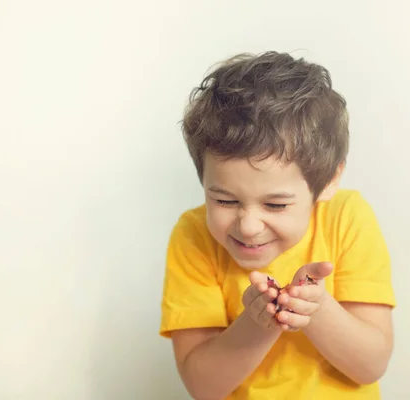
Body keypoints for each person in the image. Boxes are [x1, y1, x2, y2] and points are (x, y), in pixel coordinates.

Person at [159, 51, 396, 400]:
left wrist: (314, 309)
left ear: (329, 181)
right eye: (225, 200)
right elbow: (203, 387)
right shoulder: (193, 235)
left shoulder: (347, 217)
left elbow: (371, 365)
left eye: (276, 204)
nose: (249, 226)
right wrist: (258, 322)